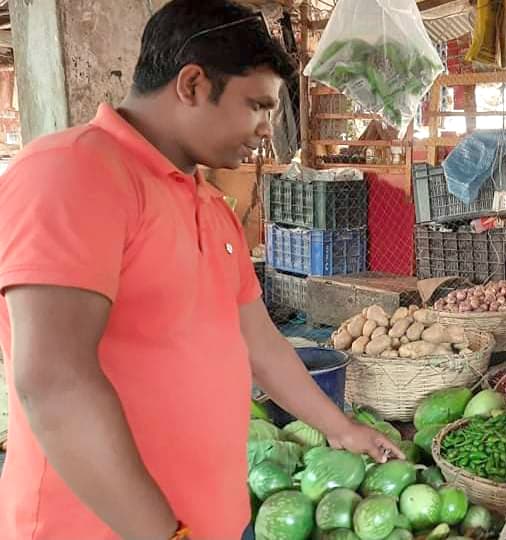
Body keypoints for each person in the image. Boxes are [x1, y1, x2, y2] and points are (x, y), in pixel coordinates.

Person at [0, 2, 401, 539]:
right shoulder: (74, 172)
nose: (266, 128)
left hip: (211, 519)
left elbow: (261, 345)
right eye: (257, 106)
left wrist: (340, 429)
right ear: (191, 84)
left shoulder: (211, 207)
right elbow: (54, 382)